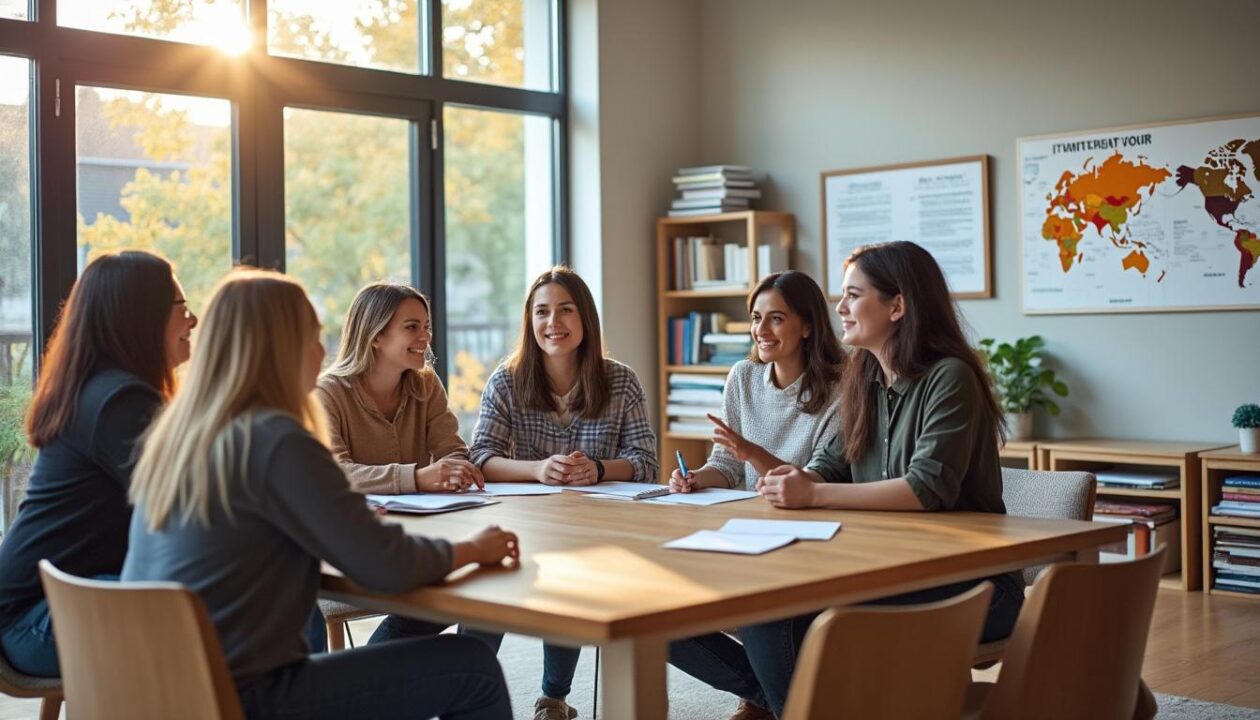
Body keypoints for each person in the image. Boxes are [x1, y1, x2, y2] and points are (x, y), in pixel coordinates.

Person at [123, 269, 518, 719]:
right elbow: (387, 565)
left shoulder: (181, 436)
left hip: (163, 691)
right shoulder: (276, 439)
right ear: (279, 348)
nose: (320, 351)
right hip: (244, 697)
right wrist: (474, 549)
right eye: (311, 337)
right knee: (473, 667)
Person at [670, 242, 1024, 718]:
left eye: (853, 296)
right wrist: (792, 480)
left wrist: (813, 493)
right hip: (886, 566)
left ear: (897, 306)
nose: (839, 307)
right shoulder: (864, 378)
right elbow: (827, 465)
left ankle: (800, 706)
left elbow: (926, 488)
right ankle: (797, 706)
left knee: (775, 617)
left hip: (971, 584)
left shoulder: (949, 378)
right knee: (680, 602)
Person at [468, 266, 657, 720]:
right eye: (542, 312)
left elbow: (646, 463)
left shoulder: (621, 381)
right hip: (526, 523)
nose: (553, 322)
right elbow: (480, 457)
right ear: (530, 321)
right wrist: (537, 470)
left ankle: (553, 698)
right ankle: (467, 690)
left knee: (570, 571)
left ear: (585, 318)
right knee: (489, 581)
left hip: (600, 529)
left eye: (565, 310)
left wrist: (597, 468)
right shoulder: (506, 380)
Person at [0, 251, 197, 677]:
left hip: (55, 602)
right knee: (239, 604)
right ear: (140, 316)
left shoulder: (106, 391)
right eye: (181, 306)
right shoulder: (118, 401)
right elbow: (188, 506)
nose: (194, 320)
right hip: (34, 619)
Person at [316, 282, 483, 644]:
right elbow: (334, 475)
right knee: (465, 581)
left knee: (484, 579)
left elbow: (452, 448)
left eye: (427, 326)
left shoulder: (426, 384)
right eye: (412, 327)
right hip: (354, 540)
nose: (425, 336)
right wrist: (418, 478)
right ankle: (373, 665)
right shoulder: (328, 392)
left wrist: (455, 468)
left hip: (419, 529)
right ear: (375, 336)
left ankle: (381, 661)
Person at [669, 270, 844, 495]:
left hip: (811, 512)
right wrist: (695, 478)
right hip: (753, 511)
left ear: (807, 326)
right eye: (756, 318)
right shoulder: (742, 376)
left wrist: (751, 453)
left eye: (776, 319)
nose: (760, 330)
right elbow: (725, 466)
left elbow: (815, 481)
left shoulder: (839, 388)